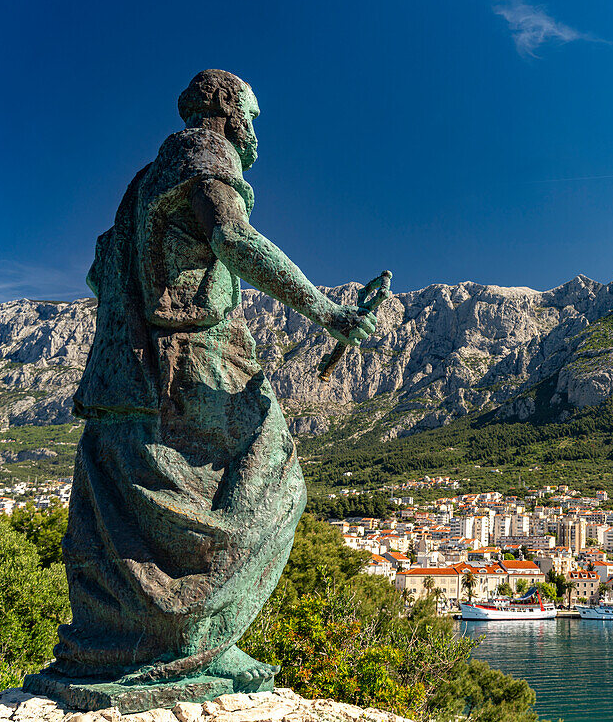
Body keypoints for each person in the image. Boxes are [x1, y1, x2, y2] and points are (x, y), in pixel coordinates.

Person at [51, 69, 376, 691]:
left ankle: (136, 645)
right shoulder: (206, 152)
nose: (255, 134)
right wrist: (327, 312)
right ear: (229, 110)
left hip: (124, 369)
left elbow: (99, 276)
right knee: (275, 477)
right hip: (193, 360)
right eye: (252, 117)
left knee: (135, 510)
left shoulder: (141, 183)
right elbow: (233, 236)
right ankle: (199, 643)